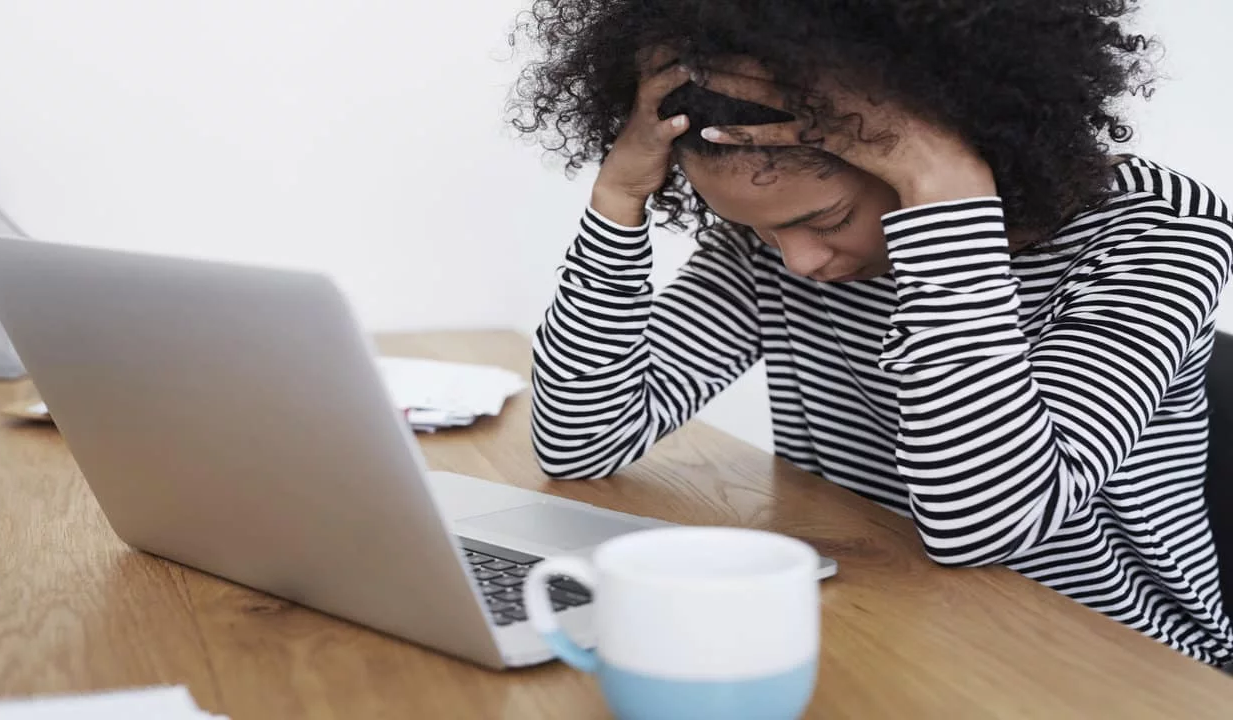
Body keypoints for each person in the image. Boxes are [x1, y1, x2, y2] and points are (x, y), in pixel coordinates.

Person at [509, 0, 1233, 667]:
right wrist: (619, 197)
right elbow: (581, 440)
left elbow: (985, 524)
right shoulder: (775, 246)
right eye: (752, 229)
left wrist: (945, 187)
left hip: (1108, 665)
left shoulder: (1159, 233)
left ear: (936, 138)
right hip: (892, 628)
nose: (798, 262)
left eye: (823, 222)